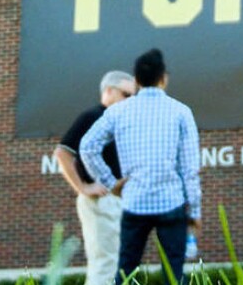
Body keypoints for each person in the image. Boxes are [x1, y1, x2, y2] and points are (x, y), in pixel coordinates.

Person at [80, 49, 202, 285]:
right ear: (164, 78)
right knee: (173, 274)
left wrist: (109, 183)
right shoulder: (181, 112)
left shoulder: (118, 111)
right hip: (172, 203)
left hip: (134, 202)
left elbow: (87, 147)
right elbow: (190, 169)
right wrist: (195, 211)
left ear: (135, 81)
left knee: (126, 272)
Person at [54, 71, 135, 285]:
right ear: (109, 91)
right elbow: (63, 153)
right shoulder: (93, 117)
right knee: (105, 263)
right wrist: (83, 188)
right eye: (127, 95)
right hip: (101, 200)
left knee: (118, 262)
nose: (131, 101)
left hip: (119, 200)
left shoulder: (118, 122)